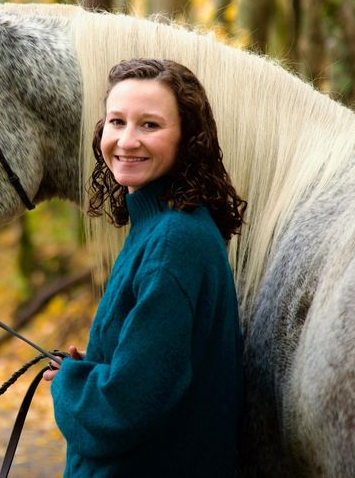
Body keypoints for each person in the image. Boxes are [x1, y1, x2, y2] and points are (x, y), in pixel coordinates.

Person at [44, 58, 246, 476]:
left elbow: (124, 408)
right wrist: (97, 363)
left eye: (150, 125)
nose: (127, 140)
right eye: (117, 121)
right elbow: (157, 368)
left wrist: (68, 384)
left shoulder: (174, 240)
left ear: (188, 138)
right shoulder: (161, 225)